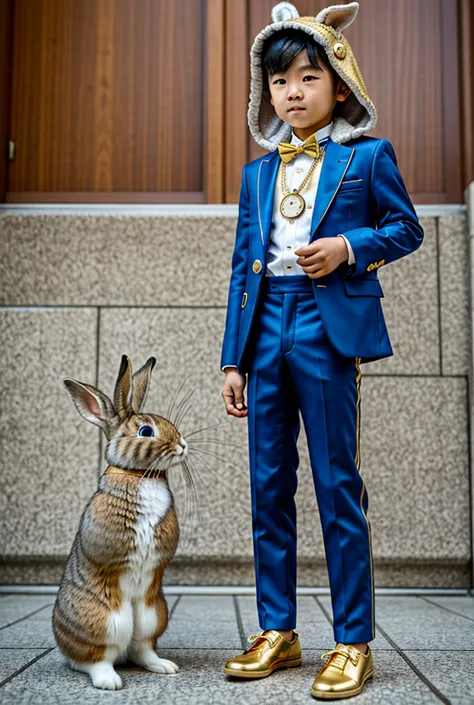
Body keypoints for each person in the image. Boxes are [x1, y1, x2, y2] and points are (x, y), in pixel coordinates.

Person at [220, 2, 424, 699]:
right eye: (281, 83)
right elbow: (243, 266)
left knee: (338, 483)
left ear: (340, 85)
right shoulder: (256, 173)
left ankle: (352, 639)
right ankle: (277, 628)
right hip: (266, 323)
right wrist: (232, 359)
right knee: (267, 486)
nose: (294, 93)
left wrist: (347, 248)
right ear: (267, 92)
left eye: (309, 77)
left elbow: (405, 229)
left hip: (326, 324)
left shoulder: (367, 156)